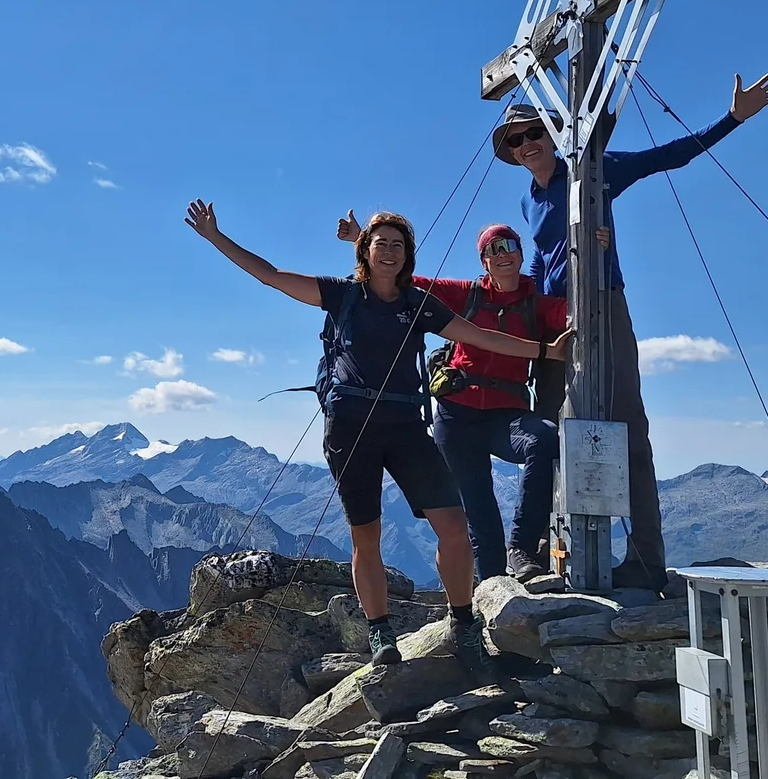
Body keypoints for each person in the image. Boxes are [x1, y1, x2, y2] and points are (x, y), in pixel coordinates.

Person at [185, 200, 571, 670]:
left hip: (407, 425)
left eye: (398, 245)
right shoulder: (342, 294)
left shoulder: (417, 303)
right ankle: (379, 631)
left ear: (408, 255)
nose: (389, 252)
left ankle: (463, 622)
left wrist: (544, 353)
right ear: (364, 251)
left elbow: (479, 336)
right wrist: (214, 237)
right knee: (365, 535)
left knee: (453, 529)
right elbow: (270, 275)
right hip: (352, 427)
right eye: (380, 244)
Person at [493, 70, 768, 592]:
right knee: (545, 427)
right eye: (515, 141)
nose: (526, 145)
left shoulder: (594, 168)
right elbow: (540, 258)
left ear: (552, 133)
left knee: (627, 425)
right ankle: (542, 552)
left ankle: (645, 558)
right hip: (556, 316)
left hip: (603, 304)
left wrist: (733, 119)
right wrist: (529, 307)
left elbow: (668, 157)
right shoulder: (528, 201)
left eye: (533, 132)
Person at [333, 217, 569, 583]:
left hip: (506, 415)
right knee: (479, 513)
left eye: (508, 246)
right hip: (457, 417)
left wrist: (598, 249)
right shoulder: (466, 293)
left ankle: (521, 548)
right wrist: (362, 240)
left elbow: (580, 310)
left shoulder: (537, 303)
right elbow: (398, 279)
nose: (501, 254)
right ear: (483, 262)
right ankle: (493, 595)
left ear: (521, 255)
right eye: (492, 249)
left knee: (543, 438)